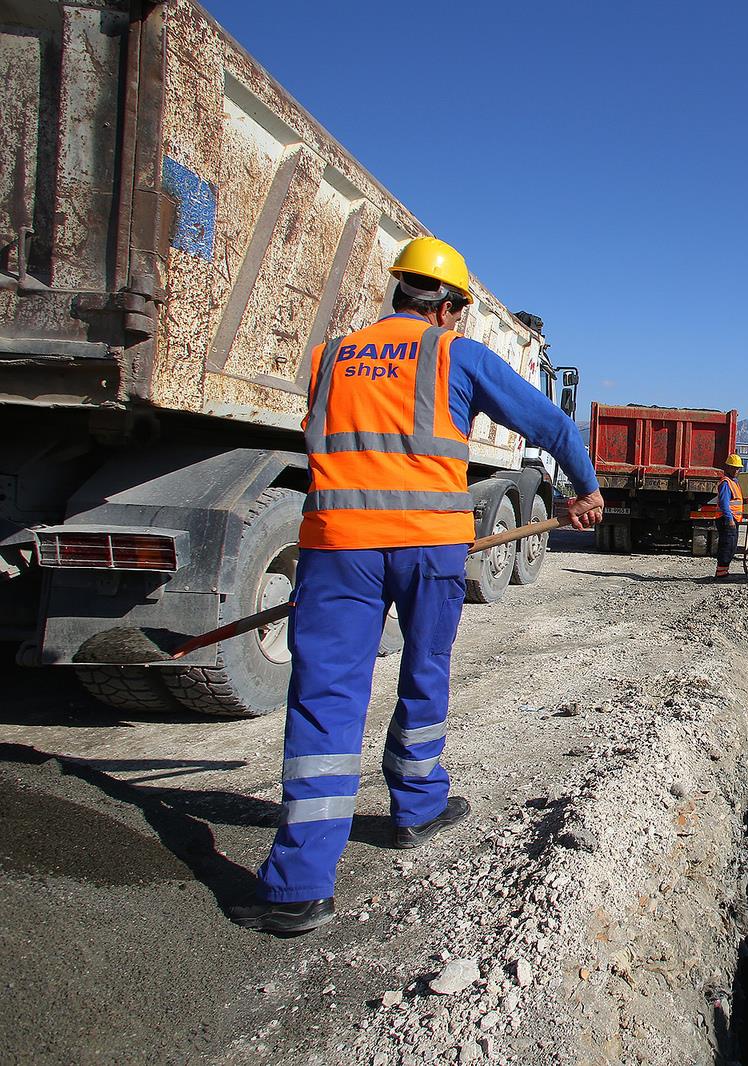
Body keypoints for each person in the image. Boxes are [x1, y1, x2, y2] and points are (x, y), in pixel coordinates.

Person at [228, 238, 604, 935]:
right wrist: (585, 487)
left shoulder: (331, 356)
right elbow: (549, 423)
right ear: (451, 307)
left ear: (399, 290)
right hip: (430, 548)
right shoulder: (454, 354)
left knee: (326, 698)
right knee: (425, 670)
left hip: (340, 548)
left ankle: (299, 887)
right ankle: (418, 807)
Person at [715, 454, 744, 577]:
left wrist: (747, 500)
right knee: (727, 545)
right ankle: (721, 573)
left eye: (738, 468)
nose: (736, 471)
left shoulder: (734, 482)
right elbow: (724, 503)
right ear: (728, 468)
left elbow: (734, 501)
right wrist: (729, 519)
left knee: (731, 546)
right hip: (727, 520)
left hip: (733, 519)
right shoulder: (726, 483)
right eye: (734, 468)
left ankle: (724, 571)